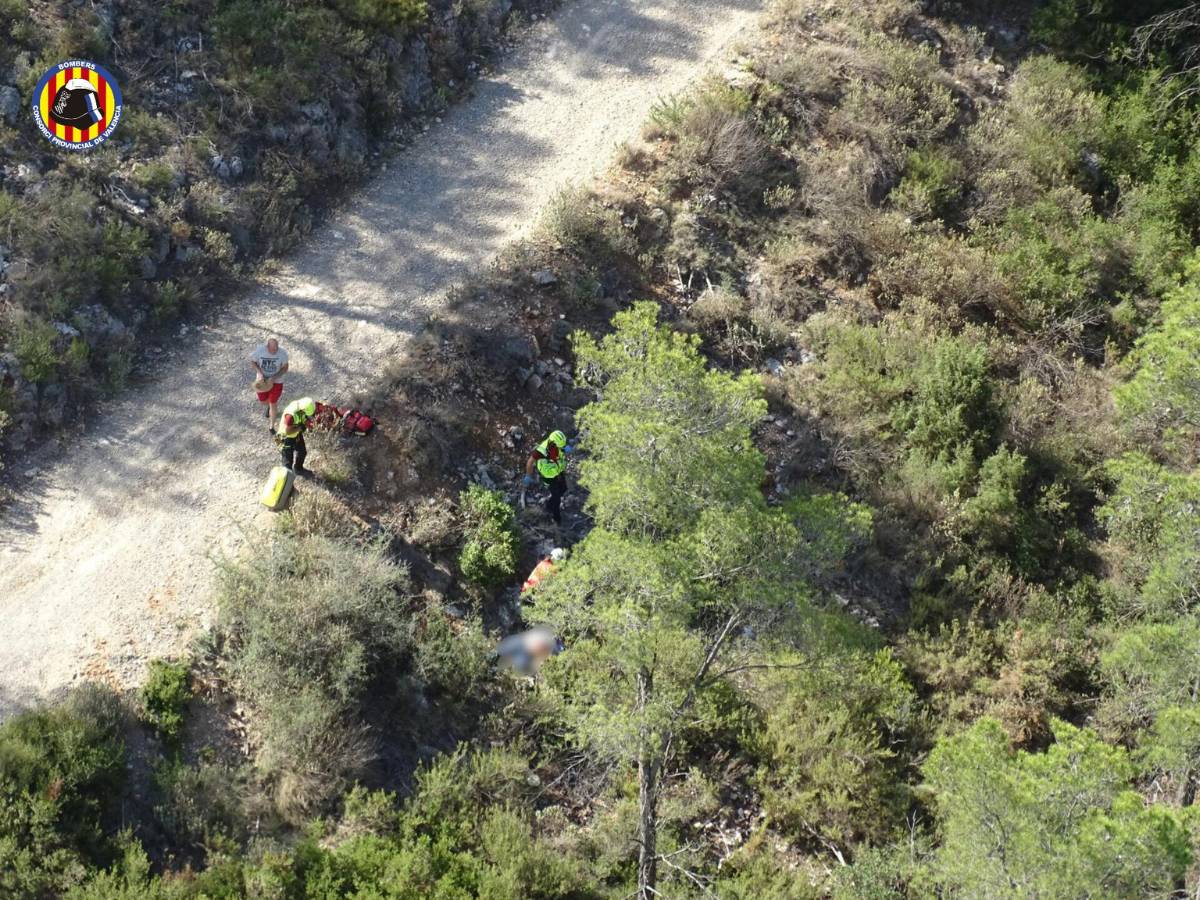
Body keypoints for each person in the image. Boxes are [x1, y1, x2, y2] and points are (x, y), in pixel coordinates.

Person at [524, 430, 571, 525]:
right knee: (556, 498)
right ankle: (556, 518)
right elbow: (530, 462)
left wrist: (564, 448)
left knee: (564, 488)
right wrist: (528, 476)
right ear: (553, 443)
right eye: (561, 446)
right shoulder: (541, 451)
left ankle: (549, 504)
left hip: (558, 469)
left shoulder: (557, 444)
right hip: (548, 476)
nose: (562, 448)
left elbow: (560, 451)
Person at [250, 338, 289, 435]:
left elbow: (285, 368)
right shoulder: (260, 351)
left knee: (273, 402)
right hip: (262, 381)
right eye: (273, 350)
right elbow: (252, 362)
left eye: (276, 349)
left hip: (277, 381)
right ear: (267, 347)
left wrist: (275, 377)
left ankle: (271, 426)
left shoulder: (282, 353)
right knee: (263, 401)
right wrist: (259, 372)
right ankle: (269, 407)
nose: (275, 351)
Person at [277, 396, 324, 476]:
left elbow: (305, 416)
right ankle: (287, 484)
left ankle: (298, 468)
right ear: (303, 410)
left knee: (302, 452)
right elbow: (288, 431)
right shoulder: (290, 416)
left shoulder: (303, 405)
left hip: (296, 435)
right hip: (284, 438)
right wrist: (300, 427)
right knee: (287, 464)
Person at [495, 627, 564, 675]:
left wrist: (538, 661)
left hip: (528, 653)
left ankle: (497, 670)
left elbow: (546, 653)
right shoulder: (550, 633)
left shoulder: (557, 647)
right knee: (501, 650)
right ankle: (491, 661)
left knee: (518, 668)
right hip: (522, 641)